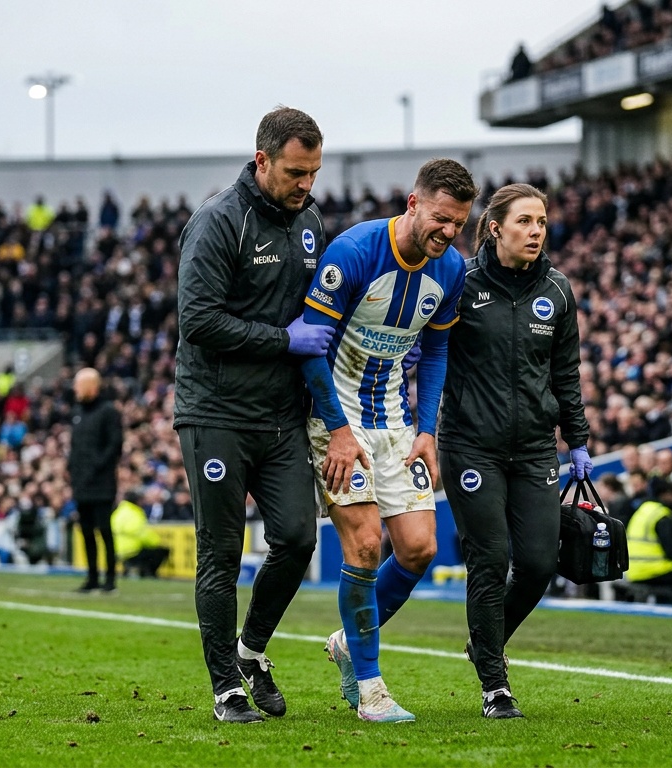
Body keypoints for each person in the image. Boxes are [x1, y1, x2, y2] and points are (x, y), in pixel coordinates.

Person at [300, 158, 477, 723]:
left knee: (420, 546)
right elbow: (309, 348)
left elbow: (439, 352)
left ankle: (349, 640)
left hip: (395, 420)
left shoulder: (450, 271)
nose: (448, 232)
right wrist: (337, 431)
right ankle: (370, 689)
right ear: (413, 204)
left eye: (459, 224)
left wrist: (428, 430)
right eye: (442, 219)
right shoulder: (355, 252)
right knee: (365, 545)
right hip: (337, 415)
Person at [173, 107, 330, 724]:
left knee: (296, 538)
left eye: (314, 173)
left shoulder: (311, 220)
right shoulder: (217, 222)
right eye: (295, 172)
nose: (306, 185)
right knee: (220, 553)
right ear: (262, 160)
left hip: (282, 415)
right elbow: (199, 322)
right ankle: (225, 689)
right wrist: (283, 341)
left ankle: (250, 651)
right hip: (216, 413)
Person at [437, 183, 590, 719]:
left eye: (542, 222)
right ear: (496, 227)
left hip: (533, 449)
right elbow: (433, 355)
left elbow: (564, 371)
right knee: (489, 558)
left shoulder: (558, 289)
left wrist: (578, 441)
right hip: (470, 445)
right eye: (525, 221)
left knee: (537, 562)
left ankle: (483, 641)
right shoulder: (461, 284)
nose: (536, 231)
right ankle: (495, 685)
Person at [69, 368, 123, 593]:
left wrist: (97, 467)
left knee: (104, 530)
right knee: (87, 531)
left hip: (101, 484)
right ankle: (92, 577)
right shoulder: (78, 412)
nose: (75, 389)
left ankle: (109, 579)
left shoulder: (108, 411)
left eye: (79, 385)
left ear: (92, 386)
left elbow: (114, 445)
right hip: (81, 483)